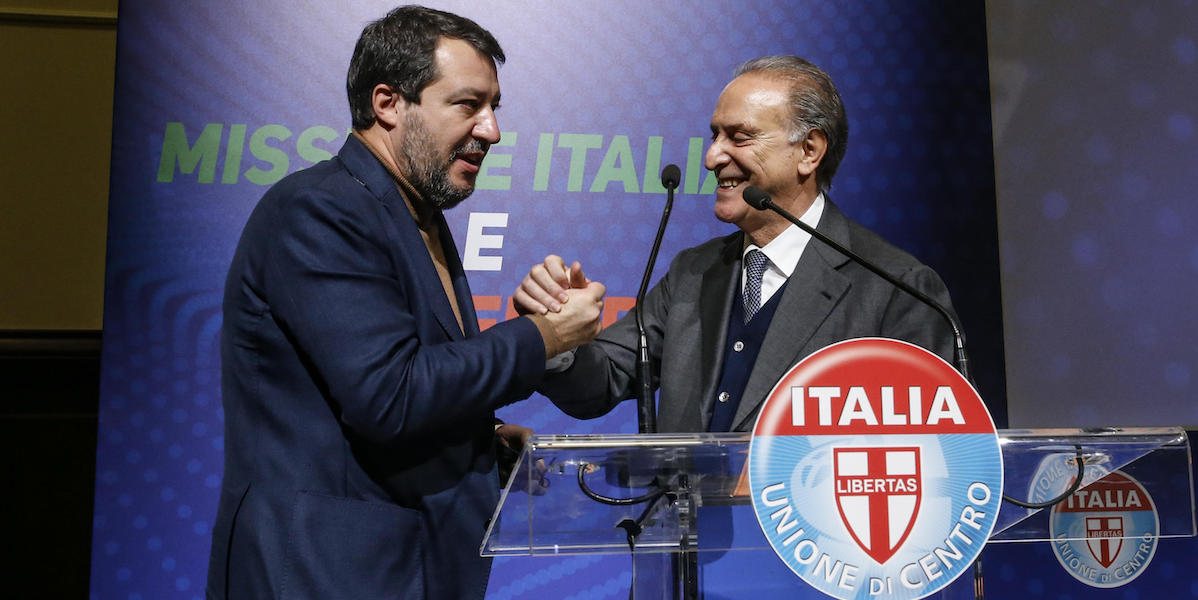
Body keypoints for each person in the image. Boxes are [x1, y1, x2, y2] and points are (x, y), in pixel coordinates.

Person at [206, 6, 605, 600]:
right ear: (388, 103)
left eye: (495, 107)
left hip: (403, 568)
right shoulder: (319, 211)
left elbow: (374, 400)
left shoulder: (415, 212)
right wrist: (542, 337)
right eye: (468, 105)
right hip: (321, 574)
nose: (492, 130)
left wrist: (481, 440)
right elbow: (389, 396)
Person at [517, 55, 958, 433]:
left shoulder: (898, 289)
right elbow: (600, 383)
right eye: (715, 136)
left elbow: (921, 450)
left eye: (739, 137)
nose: (712, 158)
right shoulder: (694, 272)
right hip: (686, 529)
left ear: (809, 150)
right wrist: (557, 334)